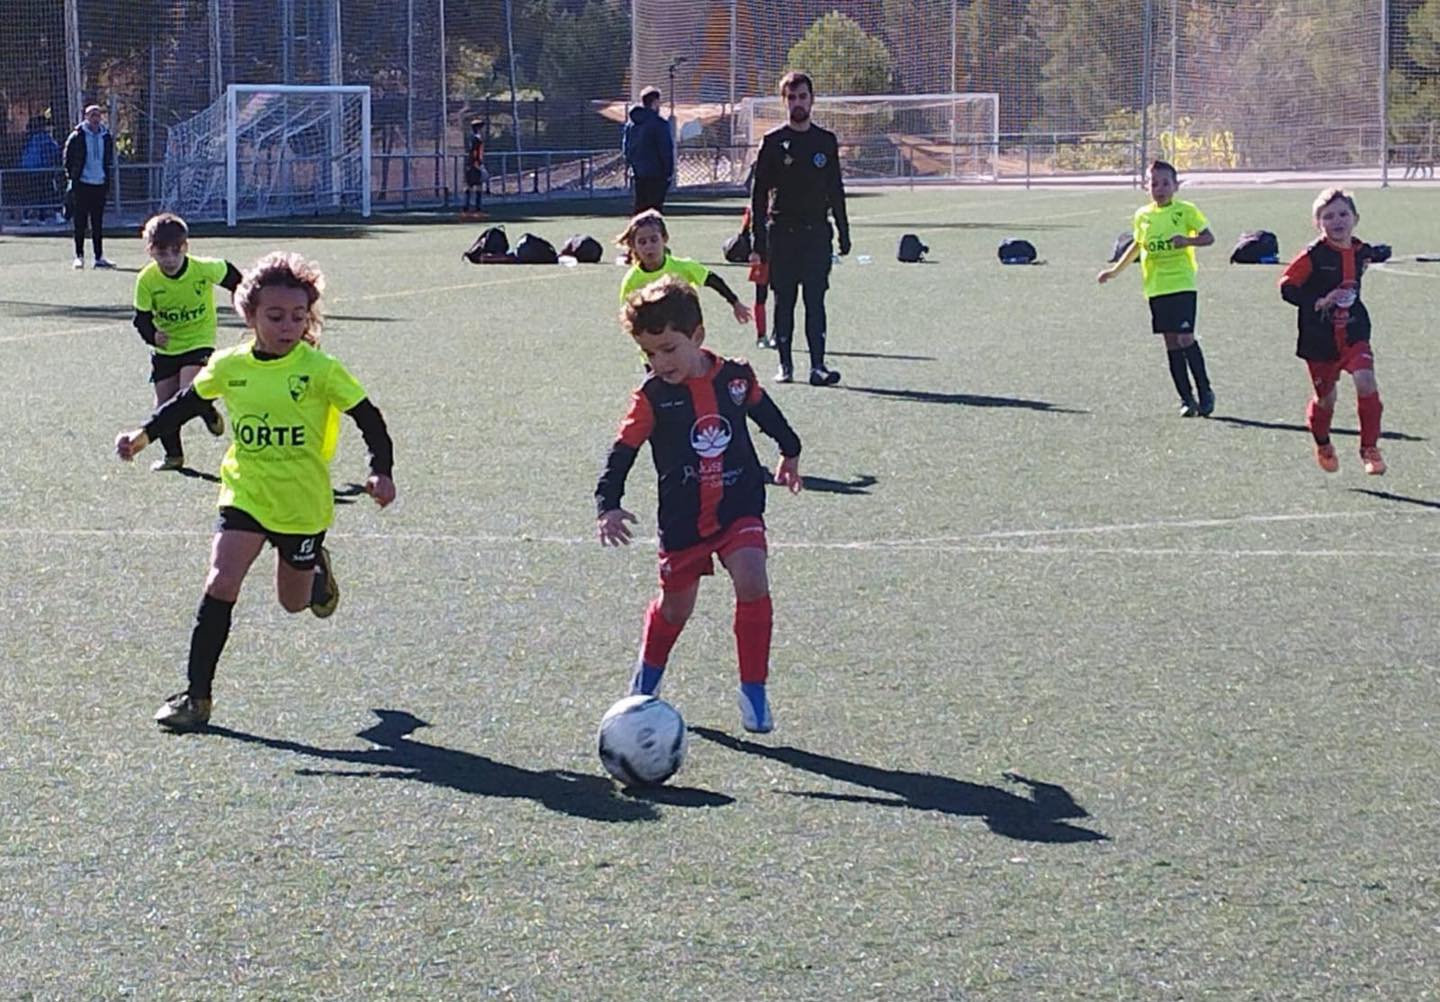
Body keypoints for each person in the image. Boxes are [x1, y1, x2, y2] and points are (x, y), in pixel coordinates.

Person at [114, 251, 397, 731]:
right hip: (245, 493)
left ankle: (316, 568)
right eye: (275, 316)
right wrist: (141, 437)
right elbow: (184, 404)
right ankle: (196, 699)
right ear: (249, 315)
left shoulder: (320, 369)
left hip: (301, 501)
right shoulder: (229, 366)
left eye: (298, 316)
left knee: (294, 602)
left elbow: (368, 418)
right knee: (220, 581)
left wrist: (381, 471)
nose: (288, 326)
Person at [596, 276, 803, 733]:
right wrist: (608, 503)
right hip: (684, 519)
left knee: (752, 579)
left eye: (668, 349)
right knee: (676, 609)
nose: (658, 362)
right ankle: (645, 682)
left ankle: (754, 691)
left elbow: (765, 413)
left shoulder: (735, 377)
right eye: (649, 353)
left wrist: (791, 450)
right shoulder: (651, 398)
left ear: (697, 336)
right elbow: (622, 451)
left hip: (739, 504)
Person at [748, 71, 850, 387]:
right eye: (791, 98)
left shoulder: (825, 142)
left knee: (816, 300)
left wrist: (844, 231)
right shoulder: (774, 143)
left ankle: (818, 366)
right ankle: (785, 365)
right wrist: (757, 239)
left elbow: (836, 188)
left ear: (812, 99)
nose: (797, 103)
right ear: (784, 102)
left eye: (802, 96)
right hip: (782, 234)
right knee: (784, 300)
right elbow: (759, 192)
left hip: (817, 233)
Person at [1279, 188, 1388, 475]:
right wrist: (1315, 301)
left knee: (1366, 381)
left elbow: (1373, 253)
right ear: (1318, 223)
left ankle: (1370, 448)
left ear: (1355, 218)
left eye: (1343, 214)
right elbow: (1287, 287)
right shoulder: (1312, 255)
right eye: (1328, 216)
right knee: (1326, 398)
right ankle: (1322, 441)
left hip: (1354, 331)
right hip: (1319, 339)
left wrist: (1380, 253)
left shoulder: (1360, 250)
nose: (1337, 221)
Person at [1097, 160, 1217, 416]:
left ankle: (1205, 391)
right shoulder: (1143, 215)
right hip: (1156, 287)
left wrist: (1186, 240)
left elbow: (1209, 238)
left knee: (1186, 338)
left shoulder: (1185, 211)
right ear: (1146, 186)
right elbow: (1137, 246)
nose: (1159, 188)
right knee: (1171, 343)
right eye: (1154, 183)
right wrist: (1114, 271)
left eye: (1165, 183)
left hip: (1182, 283)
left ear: (1175, 186)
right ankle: (1187, 399)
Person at [132, 212, 241, 471]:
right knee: (165, 405)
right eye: (161, 252)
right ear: (150, 250)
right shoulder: (147, 280)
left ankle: (204, 408)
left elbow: (235, 277)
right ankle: (174, 456)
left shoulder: (203, 268)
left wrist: (245, 300)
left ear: (185, 248)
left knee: (187, 389)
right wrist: (152, 335)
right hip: (166, 348)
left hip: (199, 340)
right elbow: (141, 319)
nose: (169, 259)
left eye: (175, 252)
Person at [616, 209, 750, 326]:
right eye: (642, 242)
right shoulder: (632, 279)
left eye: (654, 239)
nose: (649, 246)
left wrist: (735, 303)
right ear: (633, 246)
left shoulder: (683, 267)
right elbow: (626, 312)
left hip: (684, 332)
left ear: (664, 239)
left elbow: (712, 279)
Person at [62, 104, 116, 269]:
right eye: (92, 115)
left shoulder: (106, 136)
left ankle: (99, 257)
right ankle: (79, 256)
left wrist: (106, 178)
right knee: (80, 222)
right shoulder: (77, 136)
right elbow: (67, 158)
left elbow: (108, 159)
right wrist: (73, 177)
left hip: (99, 184)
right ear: (86, 117)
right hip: (82, 185)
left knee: (98, 222)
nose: (95, 118)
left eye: (98, 115)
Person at [623, 86, 674, 214]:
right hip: (657, 174)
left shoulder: (631, 124)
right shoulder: (659, 123)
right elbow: (665, 149)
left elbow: (626, 148)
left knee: (640, 210)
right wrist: (669, 171)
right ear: (655, 102)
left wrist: (631, 165)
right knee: (654, 212)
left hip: (638, 173)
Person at [741, 206, 772, 349]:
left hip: (781, 256)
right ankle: (762, 334)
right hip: (763, 257)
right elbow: (745, 231)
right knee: (762, 297)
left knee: (781, 298)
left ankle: (774, 335)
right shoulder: (754, 207)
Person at [462, 117, 487, 218]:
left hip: (471, 164)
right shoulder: (476, 139)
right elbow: (475, 152)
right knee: (476, 187)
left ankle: (467, 209)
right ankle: (476, 209)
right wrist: (477, 163)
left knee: (470, 186)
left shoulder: (473, 138)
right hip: (474, 165)